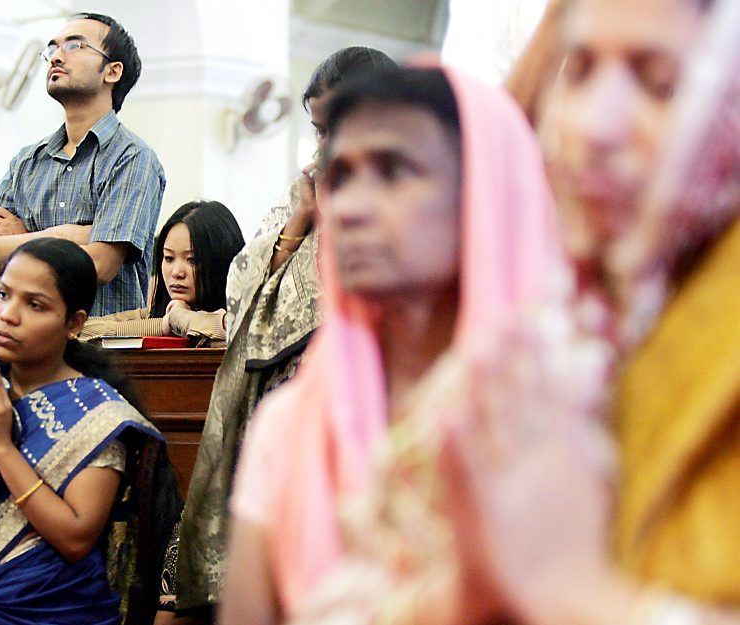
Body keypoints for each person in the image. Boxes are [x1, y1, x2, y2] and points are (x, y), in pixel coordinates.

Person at [219, 64, 575, 625]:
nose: (350, 207)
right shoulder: (293, 424)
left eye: (393, 170)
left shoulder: (564, 412)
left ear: (481, 193)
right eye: (341, 177)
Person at [440, 0, 740, 624]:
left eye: (661, 83)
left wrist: (574, 593)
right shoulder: (565, 314)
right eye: (577, 72)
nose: (595, 127)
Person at [166, 47, 396, 619]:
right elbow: (243, 291)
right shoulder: (304, 192)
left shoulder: (405, 192)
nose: (325, 142)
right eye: (318, 127)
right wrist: (301, 217)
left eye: (337, 123)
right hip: (285, 395)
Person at [0, 237, 180, 625]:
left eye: (34, 305)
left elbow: (76, 538)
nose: (7, 314)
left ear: (74, 323)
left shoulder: (98, 413)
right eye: (2, 294)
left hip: (56, 609)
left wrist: (0, 447)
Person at [0, 12, 165, 318]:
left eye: (74, 46)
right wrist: (67, 235)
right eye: (52, 48)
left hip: (101, 348)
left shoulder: (132, 157)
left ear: (112, 71)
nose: (57, 56)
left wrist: (22, 241)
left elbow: (100, 264)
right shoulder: (26, 161)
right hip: (26, 346)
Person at [79, 200, 244, 346]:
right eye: (169, 258)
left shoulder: (248, 317)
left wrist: (183, 319)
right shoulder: (158, 314)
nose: (177, 273)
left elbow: (238, 333)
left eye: (193, 260)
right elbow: (78, 329)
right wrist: (163, 326)